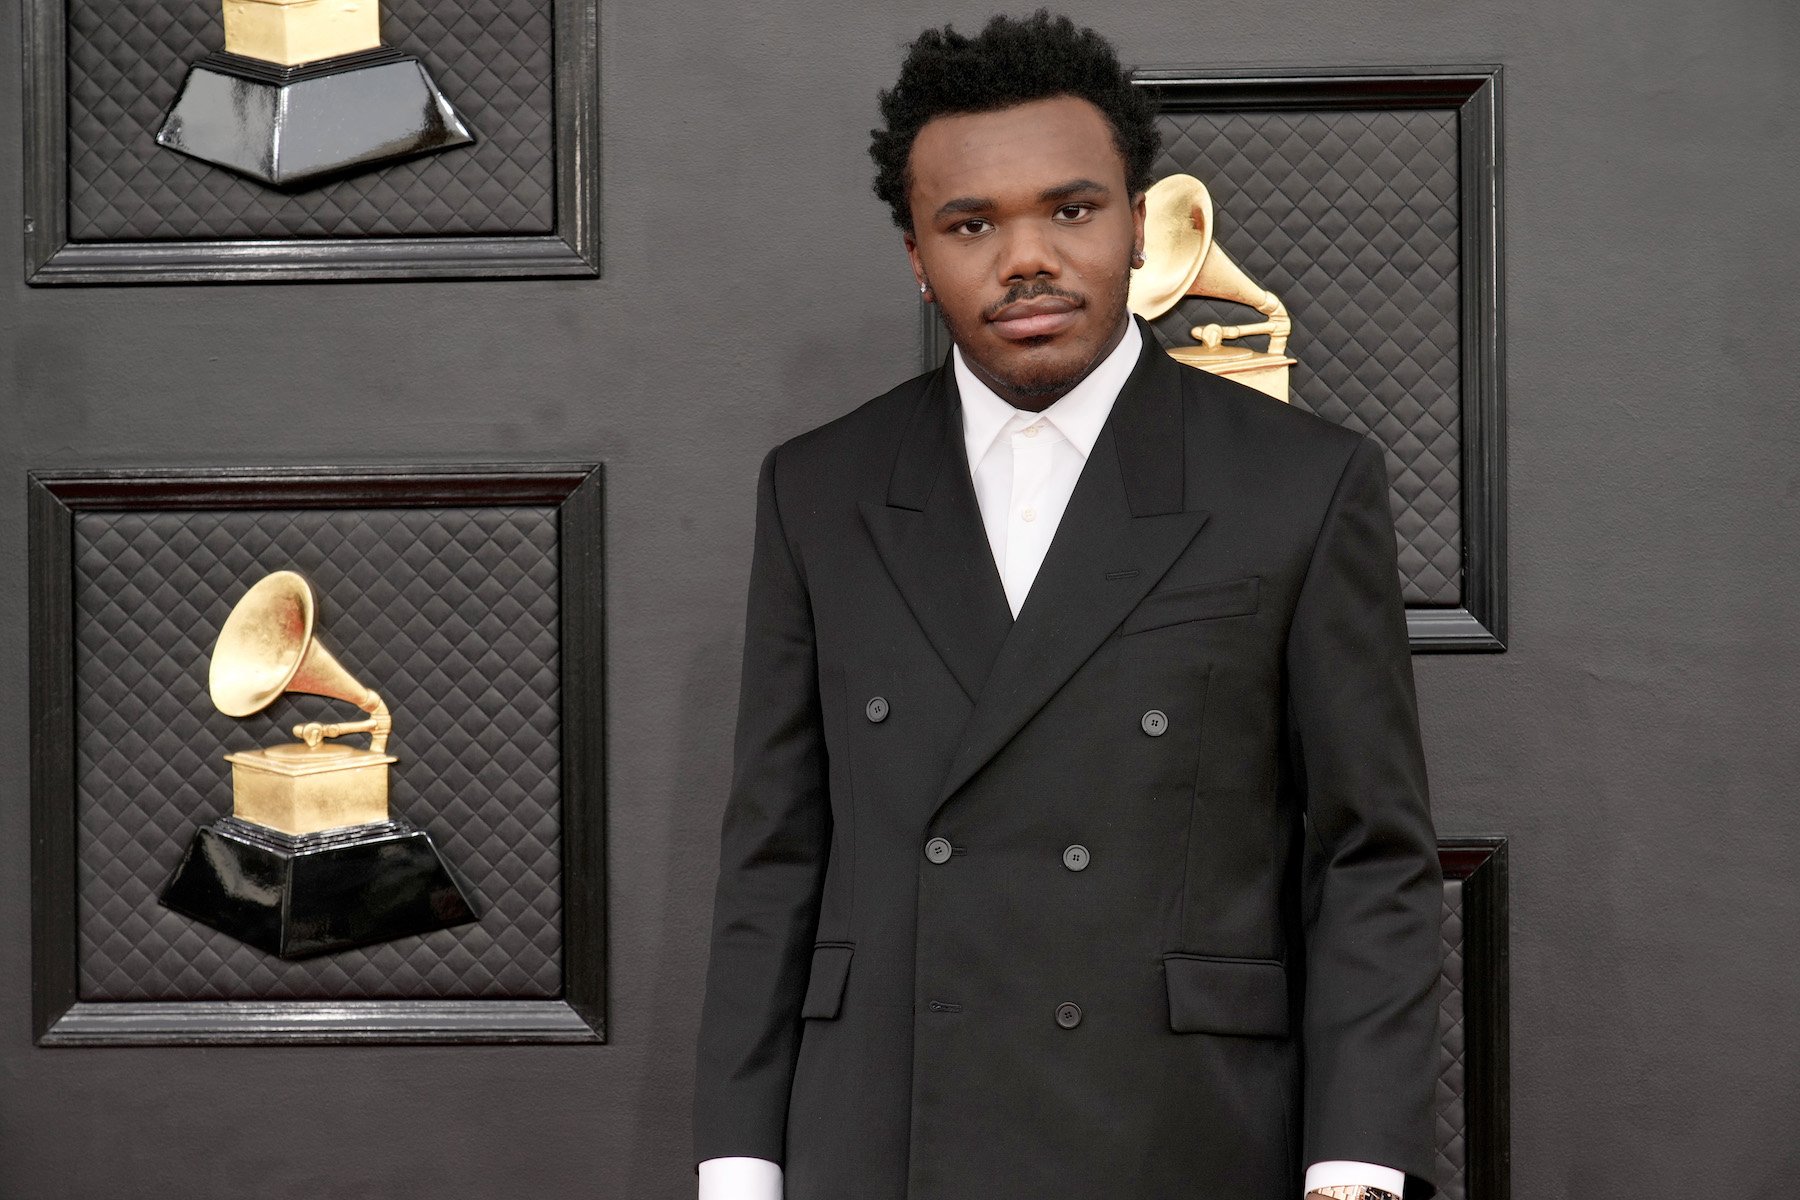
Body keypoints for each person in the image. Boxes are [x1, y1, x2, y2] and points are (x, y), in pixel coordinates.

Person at [694, 13, 1442, 1200]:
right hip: (883, 1132)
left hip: (1181, 1132)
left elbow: (1367, 860)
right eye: (972, 223)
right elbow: (776, 859)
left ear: (1138, 224)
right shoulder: (818, 489)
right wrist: (738, 1165)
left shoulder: (1299, 482)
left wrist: (1358, 1168)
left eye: (1071, 209)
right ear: (915, 253)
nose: (1026, 256)